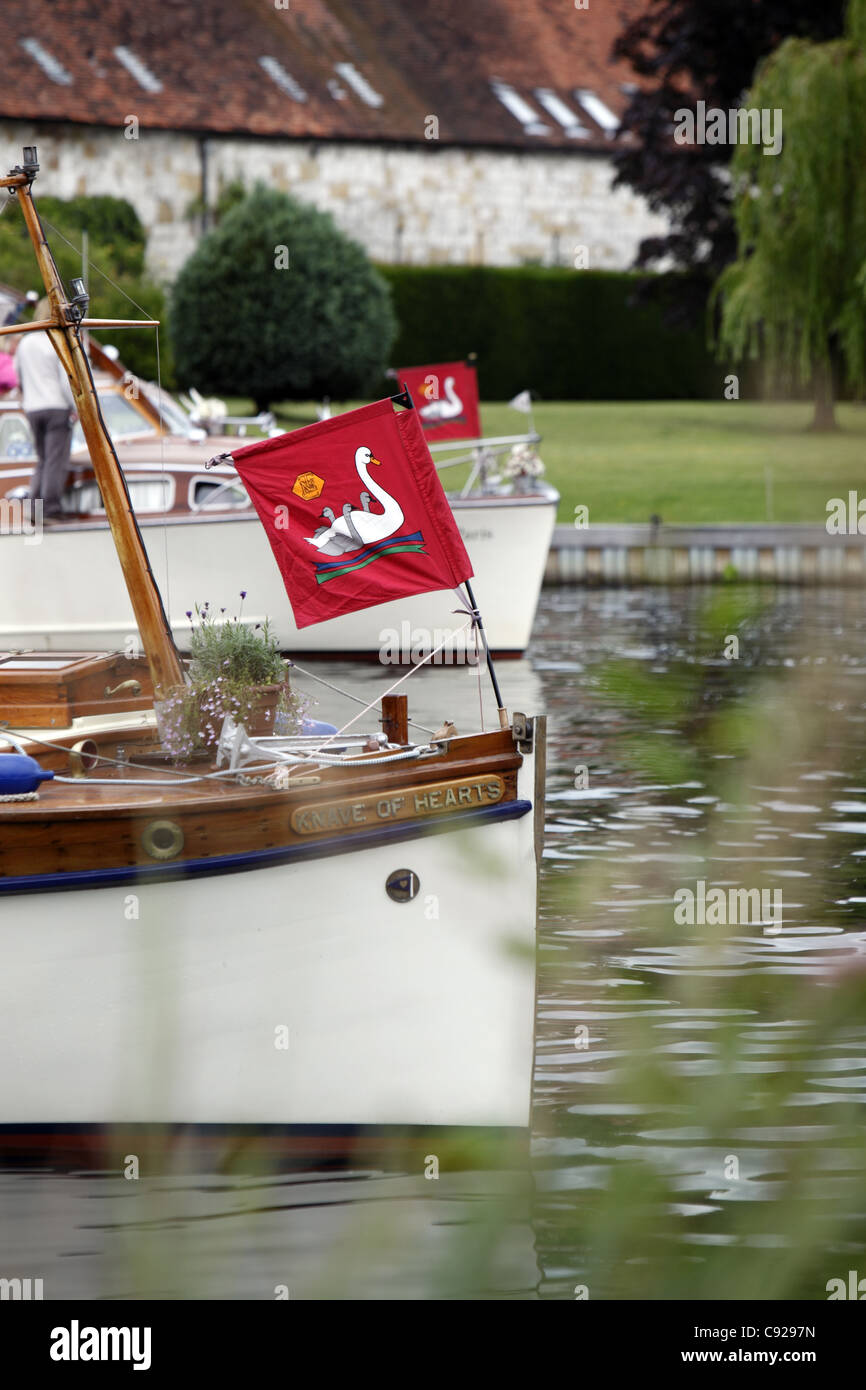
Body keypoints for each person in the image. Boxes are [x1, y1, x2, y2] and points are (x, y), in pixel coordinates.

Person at [16, 297, 76, 520]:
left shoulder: (25, 342)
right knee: (56, 459)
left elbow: (18, 374)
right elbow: (65, 379)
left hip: (33, 408)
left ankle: (34, 507)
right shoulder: (56, 340)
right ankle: (51, 508)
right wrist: (75, 406)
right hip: (56, 407)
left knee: (42, 458)